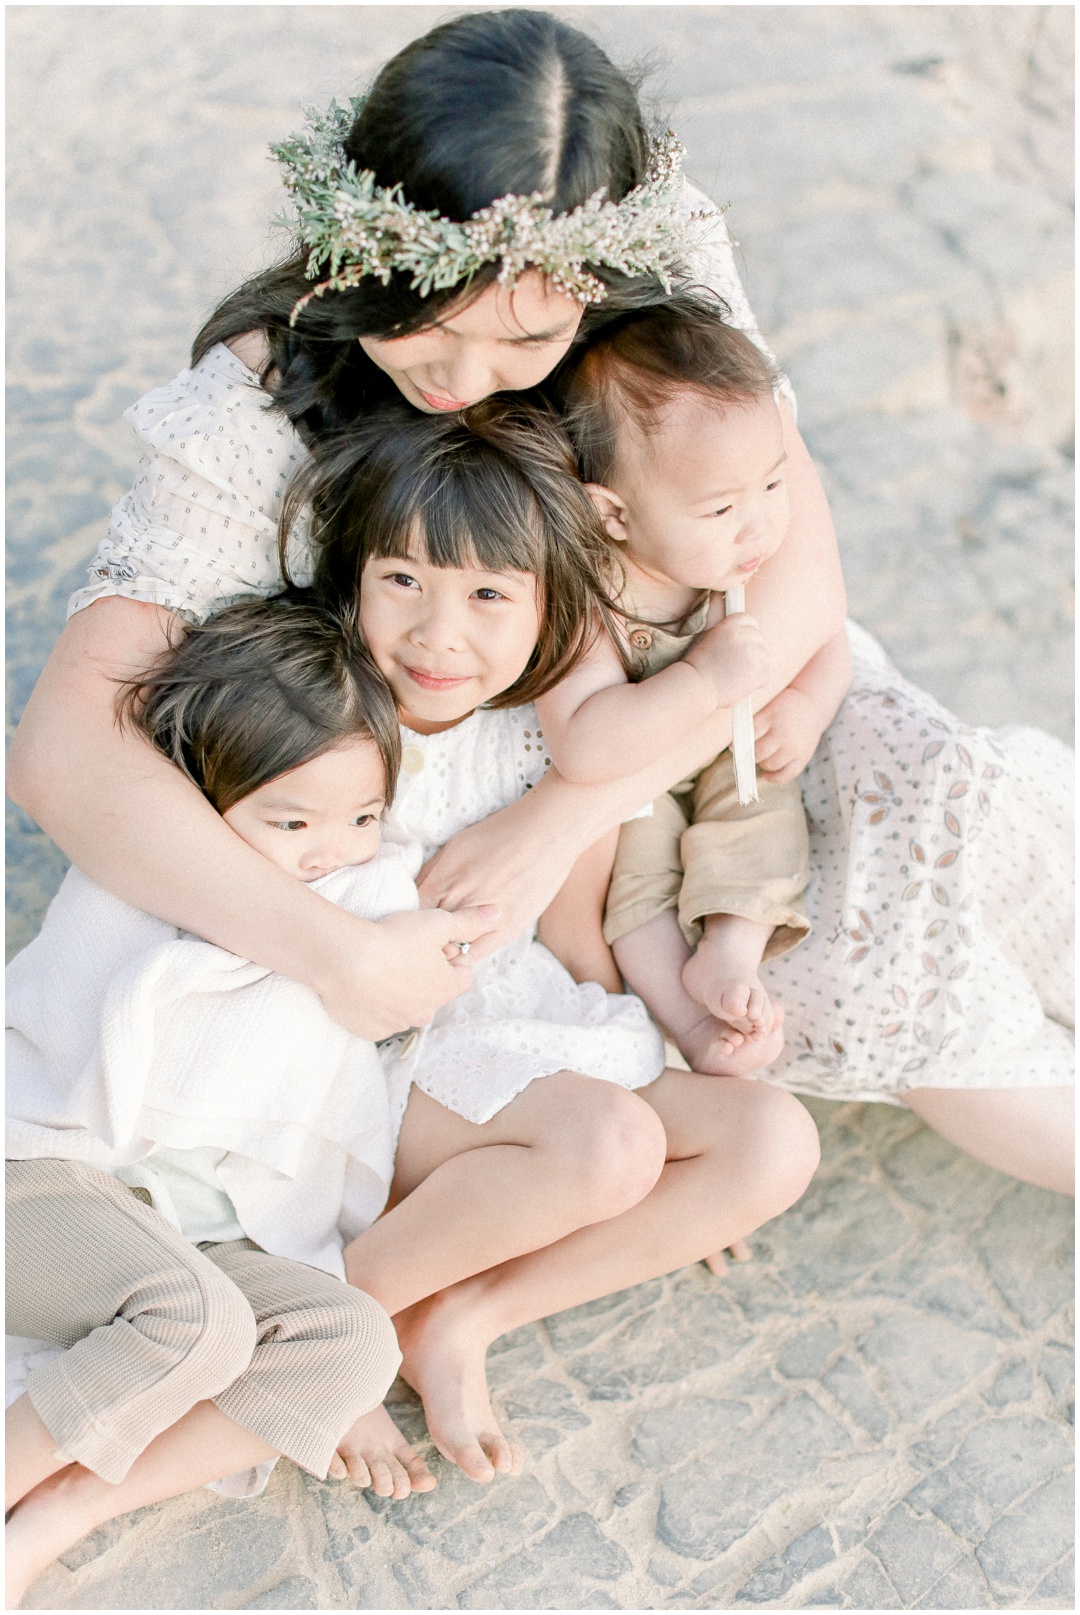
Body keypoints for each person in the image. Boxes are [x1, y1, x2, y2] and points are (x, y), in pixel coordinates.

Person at [296, 396, 820, 1488]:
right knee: (606, 1146)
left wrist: (674, 1111)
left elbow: (574, 937)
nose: (444, 635)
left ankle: (465, 1314)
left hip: (527, 1029)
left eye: (490, 595)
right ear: (351, 578)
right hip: (387, 1059)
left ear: (550, 609)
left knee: (770, 1142)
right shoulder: (328, 728)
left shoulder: (550, 739)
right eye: (404, 582)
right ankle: (334, 1327)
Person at [5, 595, 413, 1608]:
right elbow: (67, 1044)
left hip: (179, 1229)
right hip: (40, 1180)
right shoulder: (148, 888)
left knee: (355, 1340)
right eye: (293, 821)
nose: (333, 851)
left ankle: (63, 1509)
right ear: (200, 803)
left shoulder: (359, 908)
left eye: (363, 817)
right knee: (196, 1322)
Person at [536, 295, 853, 1077]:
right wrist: (701, 678)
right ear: (613, 516)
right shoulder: (591, 592)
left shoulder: (738, 570)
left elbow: (827, 636)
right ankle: (683, 1018)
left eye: (773, 488)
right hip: (636, 787)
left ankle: (730, 955)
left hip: (736, 755)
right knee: (631, 882)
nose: (759, 529)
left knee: (763, 817)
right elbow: (584, 740)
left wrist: (807, 709)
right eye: (721, 508)